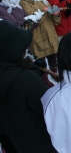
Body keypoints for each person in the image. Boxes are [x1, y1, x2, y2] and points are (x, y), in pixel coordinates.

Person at [0, 21, 57, 152]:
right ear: (11, 51)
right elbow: (52, 110)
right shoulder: (26, 80)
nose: (27, 49)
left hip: (14, 143)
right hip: (41, 143)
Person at [20, 0, 60, 85]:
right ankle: (44, 81)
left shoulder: (43, 0)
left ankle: (55, 75)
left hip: (50, 34)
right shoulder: (24, 3)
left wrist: (56, 14)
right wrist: (45, 12)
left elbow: (55, 21)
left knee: (53, 59)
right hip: (37, 37)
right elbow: (32, 19)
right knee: (40, 62)